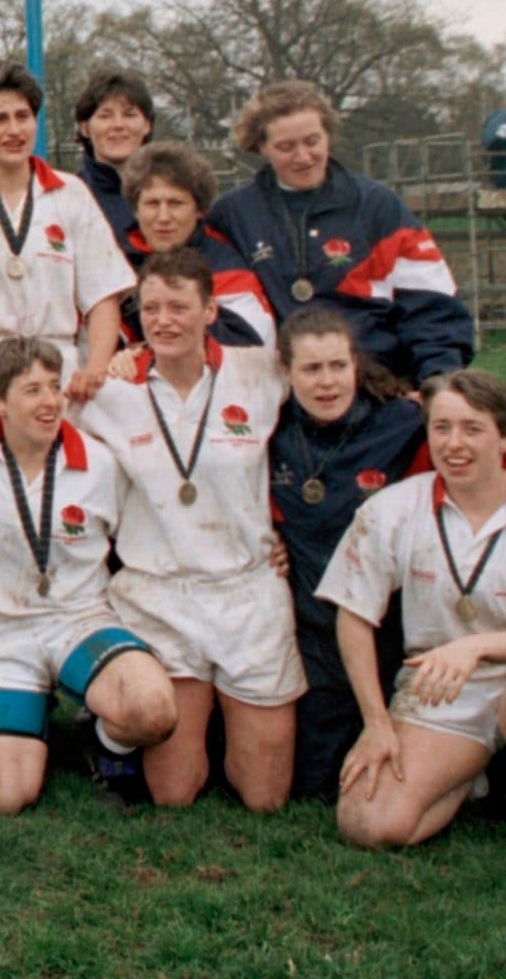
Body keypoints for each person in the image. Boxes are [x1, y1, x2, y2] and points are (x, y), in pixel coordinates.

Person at [270, 307, 506, 803]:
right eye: (311, 369)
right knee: (314, 788)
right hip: (309, 621)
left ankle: (499, 758)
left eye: (337, 366)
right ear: (286, 373)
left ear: (356, 365)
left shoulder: (400, 420)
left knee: (377, 773)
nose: (327, 382)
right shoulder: (268, 428)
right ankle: (470, 776)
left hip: (389, 621)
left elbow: (497, 444)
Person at [320, 370, 506, 879]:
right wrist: (377, 724)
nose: (454, 444)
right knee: (368, 823)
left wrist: (475, 649)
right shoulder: (396, 506)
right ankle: (481, 771)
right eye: (441, 428)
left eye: (472, 429)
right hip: (442, 689)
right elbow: (353, 613)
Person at [76, 248, 302, 811]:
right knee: (174, 793)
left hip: (247, 590)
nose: (164, 320)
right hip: (161, 593)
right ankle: (107, 738)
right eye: (151, 308)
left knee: (265, 797)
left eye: (179, 306)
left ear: (210, 310)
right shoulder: (109, 392)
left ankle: (232, 726)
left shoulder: (261, 373)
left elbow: (349, 391)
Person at [0, 337, 178, 815]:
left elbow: (150, 535)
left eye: (54, 386)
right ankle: (24, 712)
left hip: (80, 620)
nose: (51, 402)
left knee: (154, 711)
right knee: (2, 798)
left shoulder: (100, 464)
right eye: (32, 390)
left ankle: (107, 741)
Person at [0, 61, 134, 442]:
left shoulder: (71, 195)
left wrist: (94, 370)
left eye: (23, 116)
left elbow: (103, 296)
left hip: (58, 381)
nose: (14, 130)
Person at [207, 79, 473, 385]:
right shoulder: (233, 215)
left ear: (328, 136)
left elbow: (432, 304)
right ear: (261, 146)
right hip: (275, 390)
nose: (303, 156)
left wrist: (436, 382)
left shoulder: (376, 205)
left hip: (376, 388)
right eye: (286, 147)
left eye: (312, 141)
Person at [117, 142, 274, 348]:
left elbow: (253, 345)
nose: (163, 217)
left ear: (199, 209)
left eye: (176, 203)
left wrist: (148, 352)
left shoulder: (225, 265)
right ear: (136, 209)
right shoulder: (117, 262)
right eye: (152, 204)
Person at [70, 69, 156, 251]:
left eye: (129, 115)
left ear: (147, 125)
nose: (118, 125)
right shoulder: (69, 198)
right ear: (85, 128)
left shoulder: (174, 195)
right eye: (105, 116)